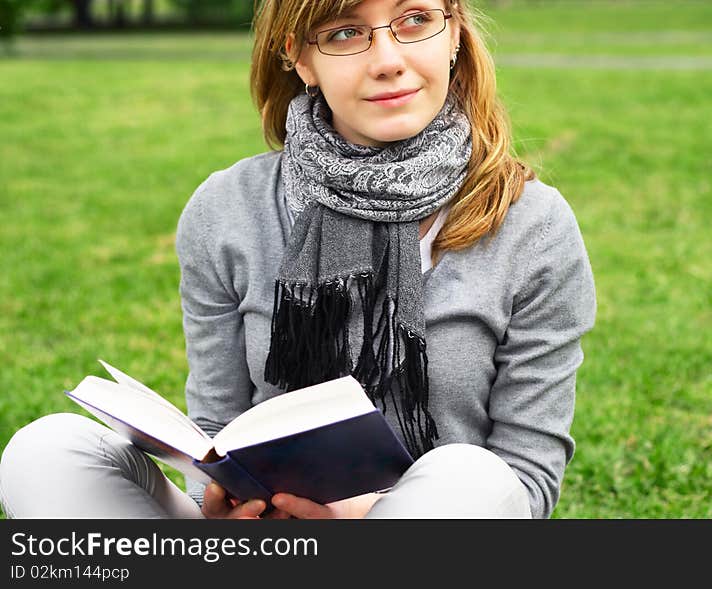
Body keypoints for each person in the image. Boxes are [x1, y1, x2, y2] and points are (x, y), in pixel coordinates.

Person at [0, 0, 595, 519]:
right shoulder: (227, 208)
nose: (387, 58)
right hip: (265, 532)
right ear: (299, 57)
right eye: (343, 33)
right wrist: (228, 505)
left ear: (455, 32)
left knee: (474, 476)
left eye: (414, 20)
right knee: (47, 450)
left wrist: (364, 519)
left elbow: (526, 477)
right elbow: (215, 426)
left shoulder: (533, 224)